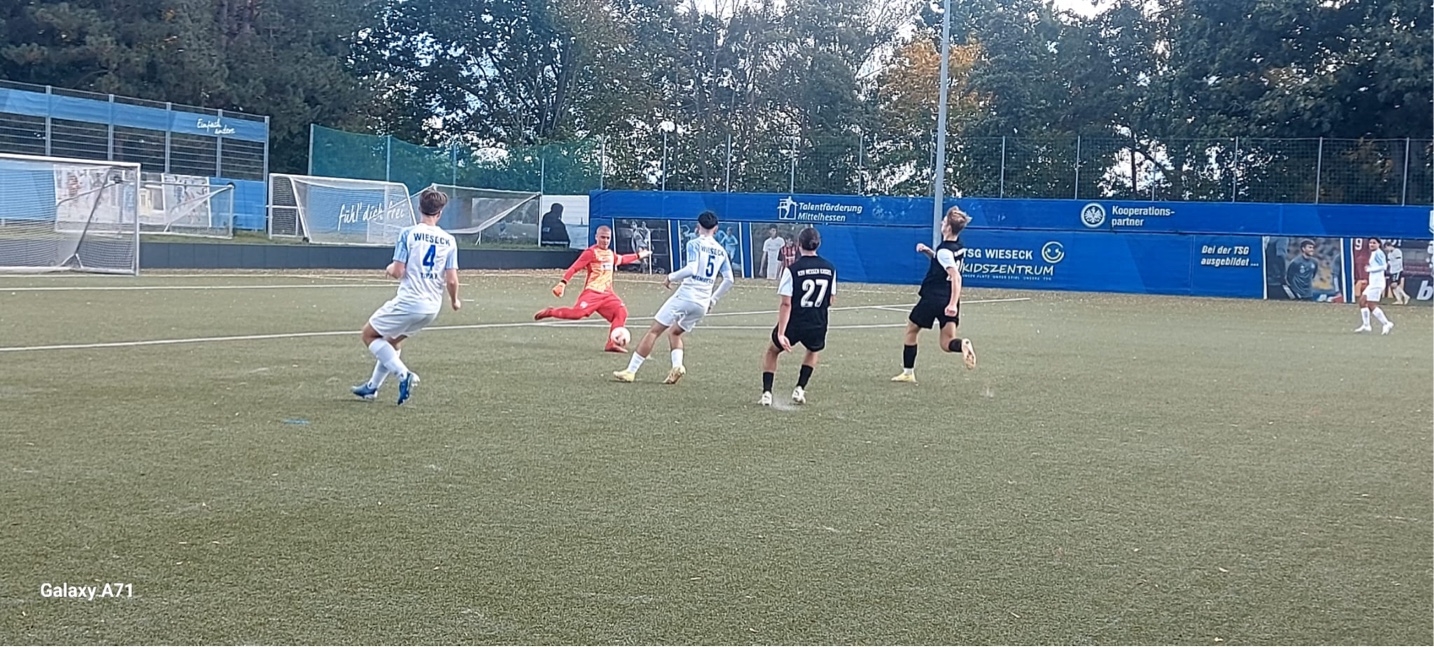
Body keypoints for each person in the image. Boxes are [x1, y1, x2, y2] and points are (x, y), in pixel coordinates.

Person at [351, 187, 461, 405]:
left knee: (369, 335)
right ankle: (372, 388)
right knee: (392, 343)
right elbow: (451, 280)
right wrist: (454, 300)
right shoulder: (449, 240)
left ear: (419, 208)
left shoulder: (408, 233)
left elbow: (398, 271)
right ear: (439, 213)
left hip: (410, 302)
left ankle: (404, 374)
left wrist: (389, 268)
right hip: (431, 308)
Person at [613, 210, 733, 384]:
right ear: (716, 228)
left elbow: (691, 269)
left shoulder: (694, 243)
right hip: (702, 303)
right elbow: (729, 280)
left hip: (686, 295)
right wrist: (713, 299)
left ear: (698, 226)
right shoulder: (721, 251)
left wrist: (671, 277)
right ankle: (677, 366)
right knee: (675, 332)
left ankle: (630, 372)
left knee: (654, 331)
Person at [892, 206, 976, 383]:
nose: (941, 223)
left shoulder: (945, 251)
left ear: (948, 228)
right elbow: (942, 262)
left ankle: (908, 373)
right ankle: (962, 345)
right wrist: (928, 251)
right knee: (947, 343)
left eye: (944, 222)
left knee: (911, 329)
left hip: (933, 297)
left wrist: (952, 304)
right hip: (948, 297)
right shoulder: (958, 246)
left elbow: (956, 276)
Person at [535, 225, 651, 352]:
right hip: (592, 292)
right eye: (602, 237)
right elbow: (574, 267)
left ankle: (611, 344)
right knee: (577, 314)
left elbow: (622, 259)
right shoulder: (591, 253)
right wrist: (563, 283)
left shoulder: (610, 254)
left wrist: (639, 255)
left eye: (608, 238)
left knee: (621, 312)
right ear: (596, 237)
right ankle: (551, 311)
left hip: (607, 294)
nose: (605, 241)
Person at [760, 227, 835, 406]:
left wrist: (781, 333)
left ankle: (767, 393)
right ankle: (800, 388)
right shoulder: (830, 269)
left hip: (795, 321)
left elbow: (786, 303)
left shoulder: (792, 269)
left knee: (772, 351)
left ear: (799, 244)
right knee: (813, 350)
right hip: (817, 320)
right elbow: (831, 299)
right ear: (818, 243)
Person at [1355, 237, 1393, 334]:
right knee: (1362, 301)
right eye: (1370, 243)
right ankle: (1366, 325)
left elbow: (1384, 266)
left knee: (1371, 304)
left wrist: (1370, 269)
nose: (1371, 244)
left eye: (1374, 243)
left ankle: (1386, 323)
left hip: (1377, 283)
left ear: (1379, 244)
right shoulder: (1374, 253)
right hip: (1373, 283)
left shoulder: (1379, 253)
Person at [1383, 239, 1409, 305]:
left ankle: (1405, 296)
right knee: (1392, 286)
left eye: (1386, 248)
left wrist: (1392, 264)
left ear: (1388, 246)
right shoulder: (1389, 254)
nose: (1386, 250)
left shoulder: (1397, 251)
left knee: (1394, 284)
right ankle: (1399, 300)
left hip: (1397, 270)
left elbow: (1399, 261)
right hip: (1392, 271)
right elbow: (1389, 262)